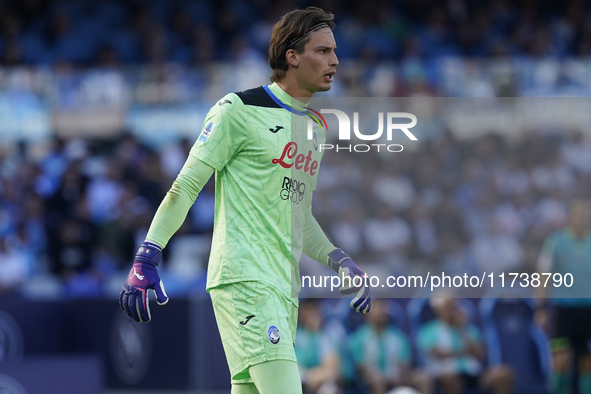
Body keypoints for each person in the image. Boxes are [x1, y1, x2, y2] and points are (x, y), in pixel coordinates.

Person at [118, 7, 371, 394]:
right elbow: (184, 187)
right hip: (245, 278)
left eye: (334, 51)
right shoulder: (237, 109)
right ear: (292, 56)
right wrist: (146, 255)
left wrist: (339, 259)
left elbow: (297, 214)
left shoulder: (316, 129)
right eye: (322, 51)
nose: (335, 60)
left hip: (284, 287)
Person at [536, 198, 591, 394]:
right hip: (563, 309)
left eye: (587, 214)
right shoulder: (556, 241)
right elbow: (543, 275)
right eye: (579, 214)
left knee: (586, 362)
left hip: (588, 309)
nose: (583, 218)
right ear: (570, 217)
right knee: (561, 361)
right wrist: (541, 307)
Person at [417, 297, 513, 394]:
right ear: (439, 310)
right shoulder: (429, 330)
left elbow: (478, 354)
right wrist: (464, 352)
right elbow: (438, 354)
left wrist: (462, 330)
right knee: (450, 380)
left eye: (455, 307)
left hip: (472, 372)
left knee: (503, 374)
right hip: (445, 374)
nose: (453, 311)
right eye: (449, 308)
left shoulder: (469, 329)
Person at [349, 299, 432, 394]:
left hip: (397, 377)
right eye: (377, 307)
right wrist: (381, 376)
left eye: (384, 307)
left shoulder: (399, 337)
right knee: (377, 380)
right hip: (372, 380)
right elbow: (362, 366)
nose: (382, 311)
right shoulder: (357, 339)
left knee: (423, 377)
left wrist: (399, 375)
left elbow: (405, 362)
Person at [295, 299, 340, 394]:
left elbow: (332, 369)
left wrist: (314, 377)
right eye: (308, 309)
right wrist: (307, 377)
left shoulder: (324, 336)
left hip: (318, 382)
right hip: (297, 379)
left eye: (314, 309)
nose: (312, 313)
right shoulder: (294, 334)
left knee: (329, 389)